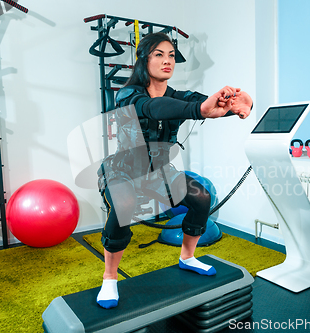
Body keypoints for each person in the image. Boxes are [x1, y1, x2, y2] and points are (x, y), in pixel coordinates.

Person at [96, 32, 253, 309]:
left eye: (171, 55)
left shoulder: (181, 96)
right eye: (159, 54)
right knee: (124, 205)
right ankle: (109, 278)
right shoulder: (127, 94)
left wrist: (235, 105)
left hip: (159, 172)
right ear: (144, 60)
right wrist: (198, 109)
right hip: (123, 171)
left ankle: (187, 257)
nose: (167, 60)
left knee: (201, 198)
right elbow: (155, 108)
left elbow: (208, 105)